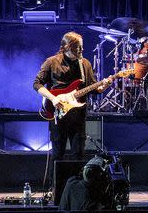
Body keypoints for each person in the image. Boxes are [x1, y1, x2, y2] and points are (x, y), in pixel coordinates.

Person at [34, 32, 111, 166]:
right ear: (67, 47)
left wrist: (103, 87)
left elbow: (93, 88)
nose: (82, 50)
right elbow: (37, 84)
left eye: (82, 47)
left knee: (79, 154)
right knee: (58, 154)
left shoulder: (85, 64)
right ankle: (56, 186)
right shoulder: (52, 62)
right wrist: (53, 98)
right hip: (58, 113)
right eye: (78, 47)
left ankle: (77, 185)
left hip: (78, 115)